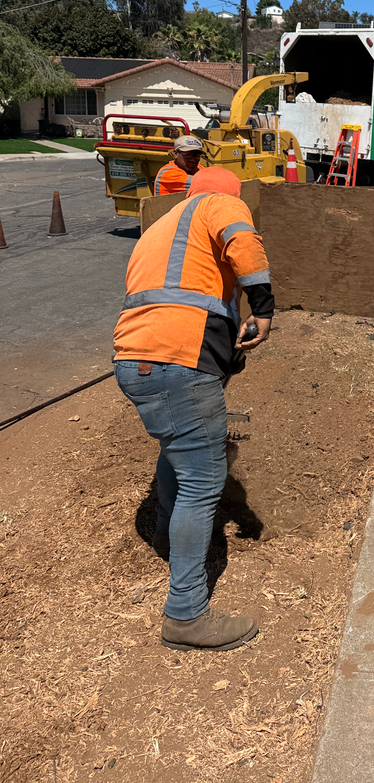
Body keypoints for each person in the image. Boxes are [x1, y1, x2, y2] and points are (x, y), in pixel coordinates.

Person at [113, 166, 274, 652]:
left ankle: (166, 536)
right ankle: (185, 614)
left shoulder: (162, 227)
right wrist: (263, 308)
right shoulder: (219, 204)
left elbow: (183, 295)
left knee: (177, 449)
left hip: (134, 358)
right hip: (179, 359)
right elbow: (243, 242)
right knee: (204, 481)